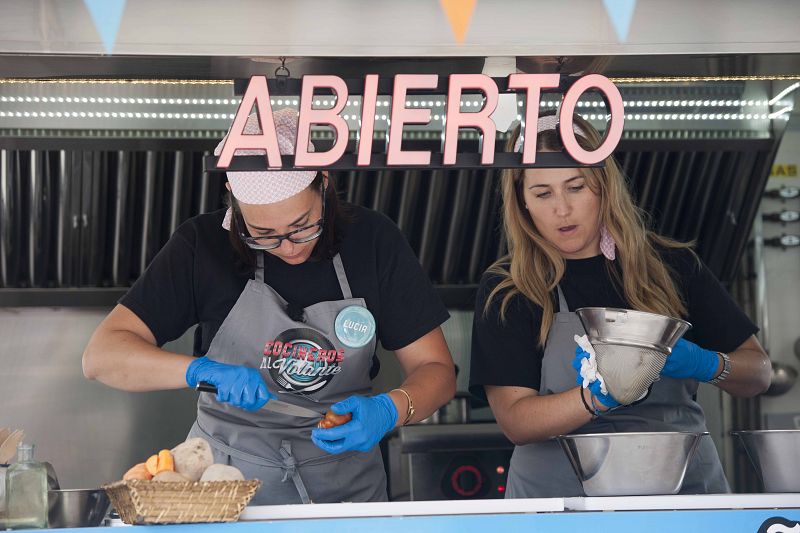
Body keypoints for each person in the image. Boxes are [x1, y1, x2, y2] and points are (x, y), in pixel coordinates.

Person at [83, 107, 456, 504]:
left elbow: (436, 370)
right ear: (235, 206)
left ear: (324, 184)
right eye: (262, 234)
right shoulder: (201, 246)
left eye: (302, 226)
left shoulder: (373, 242)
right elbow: (101, 357)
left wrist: (391, 409)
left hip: (346, 490)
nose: (288, 247)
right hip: (226, 493)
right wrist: (199, 371)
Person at [469, 111, 771, 498]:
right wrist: (595, 397)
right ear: (521, 202)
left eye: (576, 187)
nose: (561, 209)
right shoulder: (511, 287)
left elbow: (759, 373)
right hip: (563, 509)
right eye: (542, 193)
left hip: (683, 502)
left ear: (603, 185)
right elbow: (516, 420)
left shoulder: (671, 265)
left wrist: (706, 363)